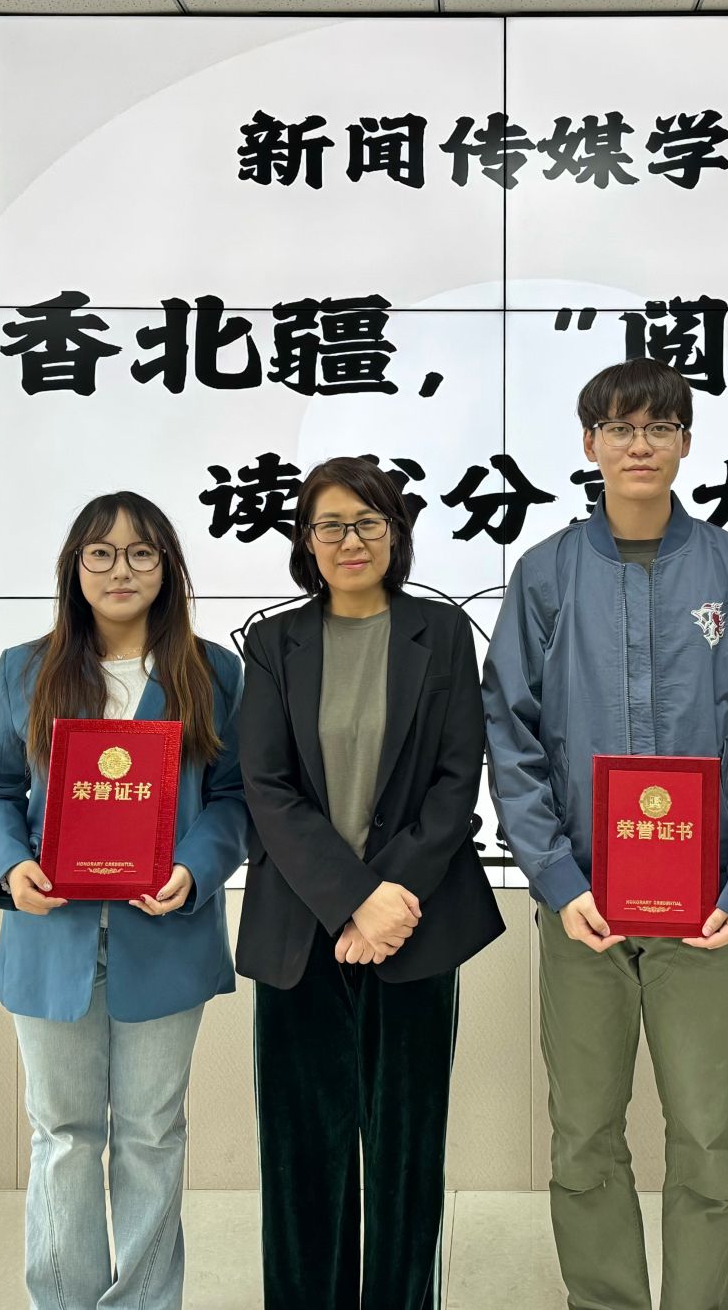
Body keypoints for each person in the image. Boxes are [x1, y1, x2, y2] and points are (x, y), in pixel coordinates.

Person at [483, 358, 728, 1310]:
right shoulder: (546, 574)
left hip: (706, 912)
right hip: (583, 907)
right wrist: (555, 877)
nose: (639, 445)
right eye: (620, 428)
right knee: (584, 1135)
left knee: (707, 1136)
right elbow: (511, 731)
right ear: (589, 444)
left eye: (659, 427)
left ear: (685, 444)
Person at [0, 491, 249, 1310]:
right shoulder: (26, 668)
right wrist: (11, 865)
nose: (120, 569)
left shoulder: (212, 671)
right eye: (101, 552)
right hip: (50, 936)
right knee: (63, 1135)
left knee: (152, 1136)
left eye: (140, 552)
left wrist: (194, 868)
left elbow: (234, 798)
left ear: (167, 568)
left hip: (165, 936)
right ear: (76, 567)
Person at [237, 455, 504, 1310]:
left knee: (404, 1154)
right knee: (301, 1155)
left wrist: (391, 900)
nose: (349, 540)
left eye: (367, 522)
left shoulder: (443, 632)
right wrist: (355, 898)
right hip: (301, 926)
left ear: (395, 531)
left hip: (416, 923)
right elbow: (266, 786)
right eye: (330, 525)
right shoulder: (273, 644)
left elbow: (457, 780)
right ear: (305, 541)